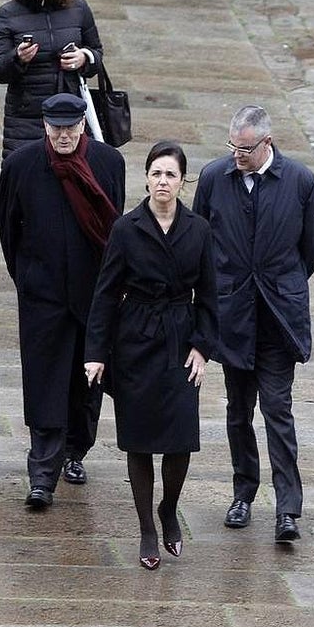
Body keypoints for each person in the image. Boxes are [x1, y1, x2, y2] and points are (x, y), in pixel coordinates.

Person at [192, 105, 314, 544]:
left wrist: (282, 284)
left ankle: (287, 508)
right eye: (232, 146)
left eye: (246, 149)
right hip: (233, 315)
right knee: (237, 412)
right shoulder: (214, 178)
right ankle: (243, 494)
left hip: (277, 318)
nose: (237, 154)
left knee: (277, 410)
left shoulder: (300, 181)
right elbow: (200, 240)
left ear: (267, 143)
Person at [84, 141, 218, 569]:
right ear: (146, 179)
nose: (163, 181)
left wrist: (202, 347)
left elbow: (211, 295)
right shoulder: (126, 229)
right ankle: (146, 528)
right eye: (156, 173)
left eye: (171, 175)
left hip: (180, 339)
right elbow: (105, 294)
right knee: (138, 440)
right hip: (135, 341)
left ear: (182, 182)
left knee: (180, 439)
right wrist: (96, 353)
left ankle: (168, 508)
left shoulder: (198, 229)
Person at [0, 93, 125, 508]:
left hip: (92, 292)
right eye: (56, 128)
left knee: (87, 381)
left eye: (70, 128)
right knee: (44, 382)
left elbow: (114, 231)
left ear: (83, 126)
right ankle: (42, 474)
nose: (64, 136)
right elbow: (9, 230)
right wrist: (29, 279)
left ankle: (76, 451)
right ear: (44, 126)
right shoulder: (21, 165)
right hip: (43, 295)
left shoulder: (108, 162)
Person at [0, 0, 104, 159]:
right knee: (25, 176)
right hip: (25, 121)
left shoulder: (78, 8)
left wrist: (84, 58)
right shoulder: (7, 14)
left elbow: (97, 54)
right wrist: (17, 58)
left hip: (69, 117)